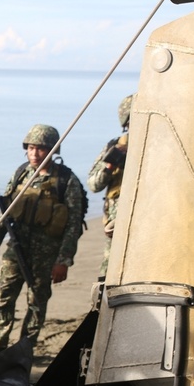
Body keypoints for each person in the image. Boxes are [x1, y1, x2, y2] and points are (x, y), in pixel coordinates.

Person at [0, 124, 86, 362]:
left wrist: (64, 260)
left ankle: (25, 348)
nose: (34, 153)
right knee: (4, 294)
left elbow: (73, 225)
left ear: (52, 150)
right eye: (31, 148)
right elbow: (5, 210)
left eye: (41, 149)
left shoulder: (66, 181)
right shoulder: (22, 173)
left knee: (37, 300)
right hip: (17, 247)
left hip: (46, 252)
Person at [88, 94, 134, 277]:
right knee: (109, 275)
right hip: (116, 225)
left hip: (149, 223)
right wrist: (110, 166)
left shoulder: (161, 147)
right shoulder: (115, 147)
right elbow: (94, 184)